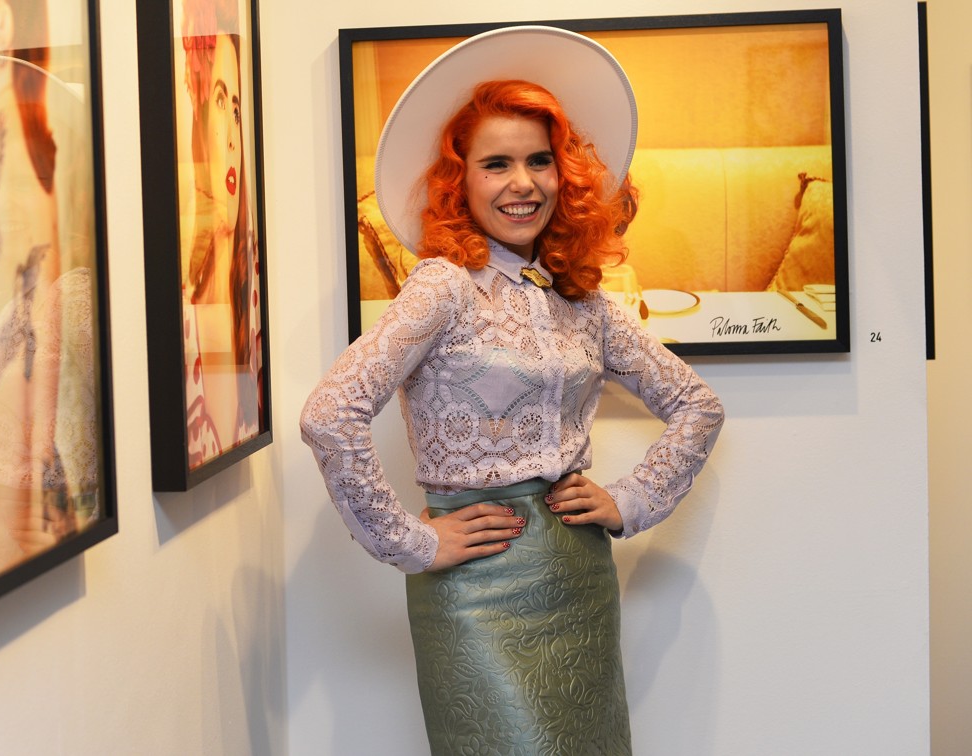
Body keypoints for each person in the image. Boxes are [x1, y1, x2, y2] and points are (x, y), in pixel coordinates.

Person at [301, 26, 724, 754]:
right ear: (459, 181)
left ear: (566, 176)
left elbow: (698, 405)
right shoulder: (443, 287)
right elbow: (329, 414)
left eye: (539, 161)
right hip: (475, 585)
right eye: (495, 163)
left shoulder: (580, 300)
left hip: (578, 573)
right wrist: (410, 542)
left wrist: (631, 500)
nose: (521, 183)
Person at [0, 0, 78, 581]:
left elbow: (41, 304)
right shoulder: (26, 135)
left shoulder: (25, 137)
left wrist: (41, 471)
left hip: (6, 404)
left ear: (2, 21)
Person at [180, 0, 262, 468]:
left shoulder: (252, 296)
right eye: (218, 100)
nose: (233, 137)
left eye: (237, 110)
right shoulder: (185, 314)